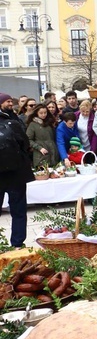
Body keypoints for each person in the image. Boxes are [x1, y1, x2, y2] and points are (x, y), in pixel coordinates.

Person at [0, 97, 35, 248]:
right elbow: (26, 144)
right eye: (6, 101)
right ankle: (17, 243)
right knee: (18, 210)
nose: (10, 104)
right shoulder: (13, 123)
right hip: (16, 174)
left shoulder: (13, 121)